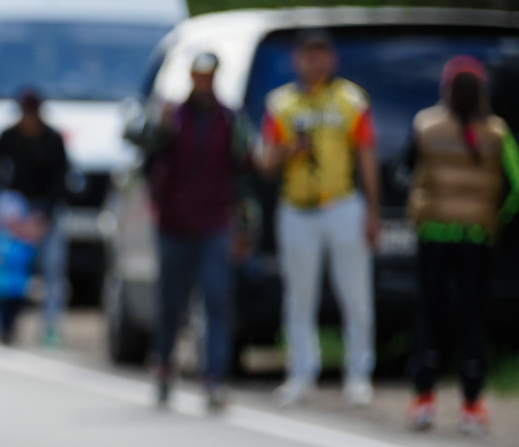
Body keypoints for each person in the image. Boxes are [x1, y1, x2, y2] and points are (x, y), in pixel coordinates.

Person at [403, 56, 519, 436]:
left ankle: (424, 399)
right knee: (472, 318)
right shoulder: (497, 132)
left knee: (430, 314)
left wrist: (421, 208)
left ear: (446, 89)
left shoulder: (426, 125)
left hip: (434, 234)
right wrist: (495, 216)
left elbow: (408, 169)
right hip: (476, 237)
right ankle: (472, 405)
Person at [259, 32, 380, 406]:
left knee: (355, 294)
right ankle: (301, 373)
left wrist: (373, 210)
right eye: (308, 56)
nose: (315, 63)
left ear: (332, 59)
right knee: (299, 296)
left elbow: (366, 155)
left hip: (342, 205)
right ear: (297, 60)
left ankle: (358, 374)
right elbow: (265, 163)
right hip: (297, 208)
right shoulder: (281, 103)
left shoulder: (351, 100)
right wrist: (289, 150)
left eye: (321, 56)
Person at [136, 51, 251, 409]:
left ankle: (214, 376)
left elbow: (242, 173)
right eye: (199, 75)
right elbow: (145, 155)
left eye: (209, 75)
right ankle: (164, 366)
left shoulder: (230, 119)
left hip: (214, 223)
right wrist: (159, 128)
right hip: (173, 224)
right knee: (171, 302)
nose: (204, 81)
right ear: (191, 77)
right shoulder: (172, 116)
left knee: (216, 299)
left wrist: (244, 223)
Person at [0, 88, 70, 344]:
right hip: (15, 211)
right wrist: (2, 213)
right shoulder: (9, 137)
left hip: (44, 212)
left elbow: (60, 184)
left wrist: (42, 217)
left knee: (52, 267)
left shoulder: (52, 140)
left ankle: (50, 325)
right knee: (2, 263)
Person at [0, 190, 42, 345]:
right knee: (0, 314)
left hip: (17, 290)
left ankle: (8, 333)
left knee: (13, 315)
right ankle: (0, 331)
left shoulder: (22, 242)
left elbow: (29, 259)